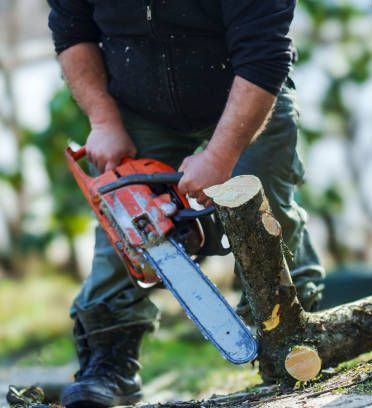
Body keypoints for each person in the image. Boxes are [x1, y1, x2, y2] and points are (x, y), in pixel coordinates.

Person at [47, 1, 325, 406]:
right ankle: (110, 359)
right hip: (137, 101)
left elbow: (264, 56)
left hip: (244, 86)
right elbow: (72, 32)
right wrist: (103, 120)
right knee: (127, 227)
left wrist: (218, 157)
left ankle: (289, 332)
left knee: (266, 203)